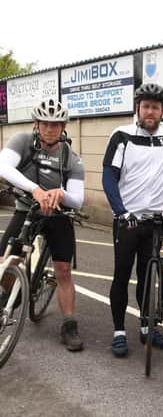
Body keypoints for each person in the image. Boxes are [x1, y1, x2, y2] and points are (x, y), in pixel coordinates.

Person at [102, 83, 163, 357]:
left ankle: (147, 328)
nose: (151, 111)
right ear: (138, 108)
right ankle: (119, 331)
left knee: (148, 277)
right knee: (122, 275)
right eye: (146, 106)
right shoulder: (122, 135)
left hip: (154, 221)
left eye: (156, 107)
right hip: (127, 220)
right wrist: (120, 211)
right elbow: (109, 176)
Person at [0, 98, 85, 351]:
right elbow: (3, 167)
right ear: (37, 124)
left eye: (56, 124)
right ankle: (10, 293)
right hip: (27, 210)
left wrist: (60, 193)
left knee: (63, 271)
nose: (50, 128)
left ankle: (69, 325)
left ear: (64, 127)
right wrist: (36, 190)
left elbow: (78, 200)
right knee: (7, 261)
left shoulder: (72, 158)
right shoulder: (22, 141)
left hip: (59, 216)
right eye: (45, 123)